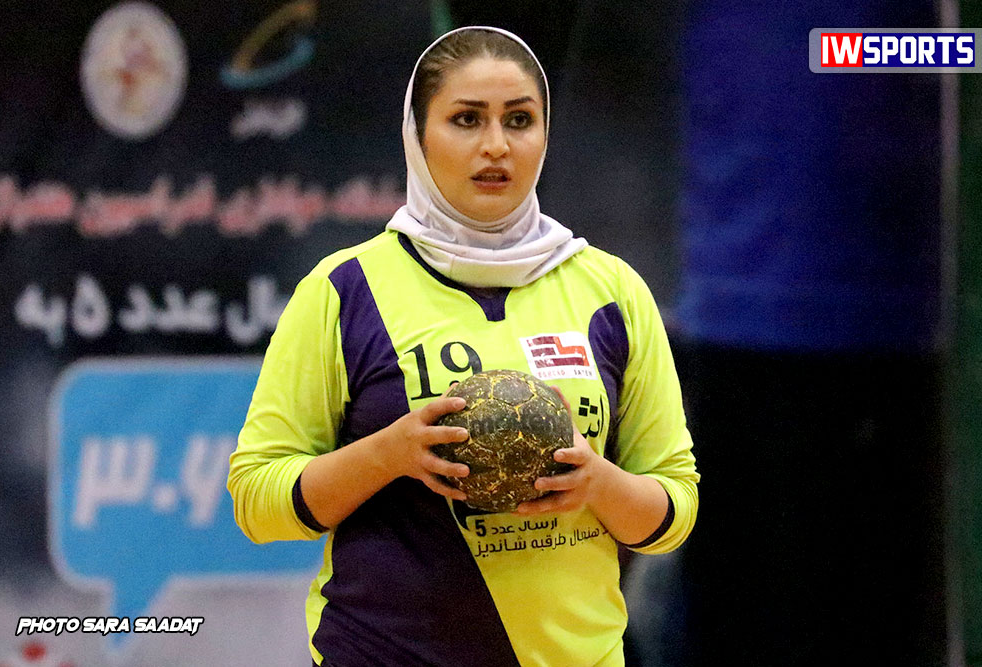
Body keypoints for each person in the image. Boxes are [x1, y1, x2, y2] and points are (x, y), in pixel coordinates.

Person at [227, 26, 699, 667]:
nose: (496, 145)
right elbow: (257, 500)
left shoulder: (611, 289)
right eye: (467, 119)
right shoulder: (344, 290)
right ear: (418, 136)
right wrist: (389, 454)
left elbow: (675, 508)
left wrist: (598, 483)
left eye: (520, 120)